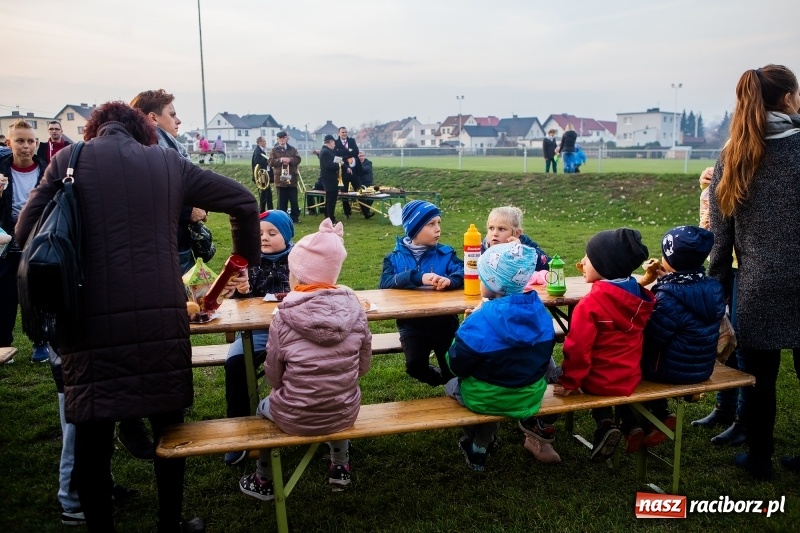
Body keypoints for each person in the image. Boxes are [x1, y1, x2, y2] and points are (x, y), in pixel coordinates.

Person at [15, 101, 261, 532]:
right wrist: (245, 259)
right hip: (159, 316)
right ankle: (170, 523)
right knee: (168, 428)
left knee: (92, 435)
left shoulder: (69, 160)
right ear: (143, 131)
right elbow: (243, 200)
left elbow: (23, 231)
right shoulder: (168, 162)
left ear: (94, 130)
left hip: (86, 315)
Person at [707, 64, 800, 480]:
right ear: (788, 98)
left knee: (760, 378)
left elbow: (720, 238)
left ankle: (760, 457)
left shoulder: (733, 155)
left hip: (758, 284)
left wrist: (717, 291)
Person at [239, 218, 371, 499]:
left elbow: (274, 377)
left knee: (262, 409)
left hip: (294, 414)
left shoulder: (283, 317)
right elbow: (363, 367)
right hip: (344, 410)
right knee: (337, 397)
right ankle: (340, 466)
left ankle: (263, 479)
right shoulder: (356, 311)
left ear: (296, 277)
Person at [445, 242, 555, 471]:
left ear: (492, 283)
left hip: (486, 399)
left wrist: (467, 324)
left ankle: (479, 445)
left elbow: (457, 365)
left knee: (451, 385)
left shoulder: (478, 321)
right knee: (496, 384)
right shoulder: (541, 314)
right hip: (529, 396)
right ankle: (483, 442)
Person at [554, 228, 654, 462]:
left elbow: (578, 350)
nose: (582, 262)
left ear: (605, 266)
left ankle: (603, 423)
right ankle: (627, 424)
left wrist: (570, 382)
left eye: (588, 258)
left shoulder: (591, 304)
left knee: (552, 374)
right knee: (607, 371)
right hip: (629, 377)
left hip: (598, 381)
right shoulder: (637, 295)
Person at [632, 226, 726, 453]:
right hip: (701, 368)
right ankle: (659, 416)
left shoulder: (668, 297)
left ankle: (636, 423)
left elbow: (652, 340)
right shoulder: (712, 287)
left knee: (632, 361)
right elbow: (687, 293)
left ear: (669, 260)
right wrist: (667, 282)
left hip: (672, 371)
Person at [222, 210, 294, 465]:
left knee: (314, 360)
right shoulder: (246, 263)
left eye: (272, 233)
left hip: (294, 331)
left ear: (287, 236)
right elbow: (233, 304)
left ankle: (319, 418)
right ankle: (238, 430)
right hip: (256, 332)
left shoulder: (299, 260)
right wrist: (241, 292)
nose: (264, 238)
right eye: (259, 233)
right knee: (235, 364)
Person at [379, 200, 464, 386]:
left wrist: (451, 281)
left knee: (452, 368)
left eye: (439, 223)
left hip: (444, 322)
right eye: (431, 224)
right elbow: (384, 284)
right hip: (411, 325)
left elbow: (465, 272)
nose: (438, 229)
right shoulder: (393, 258)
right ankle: (439, 379)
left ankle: (451, 384)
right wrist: (417, 277)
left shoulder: (446, 254)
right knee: (415, 366)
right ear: (414, 228)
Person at [692, 165, 748, 447]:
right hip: (727, 260)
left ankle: (744, 420)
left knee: (747, 344)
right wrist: (709, 181)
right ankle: (725, 408)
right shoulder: (734, 147)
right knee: (728, 336)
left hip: (751, 264)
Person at [0, 119, 51, 363]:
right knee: (4, 292)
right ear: (10, 143)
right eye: (20, 141)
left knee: (37, 291)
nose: (26, 146)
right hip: (5, 238)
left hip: (36, 234)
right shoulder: (1, 170)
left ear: (37, 143)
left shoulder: (47, 170)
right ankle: (3, 344)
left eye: (30, 141)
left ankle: (40, 342)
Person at [481, 206, 551, 271]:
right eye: (491, 228)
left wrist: (523, 251)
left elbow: (548, 264)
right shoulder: (485, 246)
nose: (494, 233)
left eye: (501, 229)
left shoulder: (525, 244)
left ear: (517, 233)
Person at [269, 131, 302, 223]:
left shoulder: (293, 149)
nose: (282, 140)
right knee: (281, 201)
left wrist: (290, 160)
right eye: (280, 138)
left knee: (294, 200)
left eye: (283, 138)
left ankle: (295, 218)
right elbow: (270, 162)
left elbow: (298, 159)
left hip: (292, 178)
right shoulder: (274, 150)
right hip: (280, 179)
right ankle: (282, 219)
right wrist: (280, 160)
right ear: (277, 139)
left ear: (287, 138)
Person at [335, 127, 360, 219]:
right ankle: (347, 213)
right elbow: (336, 154)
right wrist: (348, 151)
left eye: (346, 132)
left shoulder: (352, 141)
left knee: (359, 190)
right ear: (339, 133)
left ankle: (366, 212)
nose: (344, 134)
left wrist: (344, 155)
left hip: (354, 171)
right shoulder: (336, 143)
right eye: (343, 132)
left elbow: (356, 151)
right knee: (344, 193)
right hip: (343, 171)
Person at [318, 134, 341, 223]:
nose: (334, 144)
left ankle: (327, 216)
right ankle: (331, 218)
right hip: (329, 179)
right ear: (330, 142)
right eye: (334, 142)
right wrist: (339, 164)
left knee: (329, 198)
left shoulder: (326, 151)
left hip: (329, 178)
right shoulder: (326, 152)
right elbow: (329, 165)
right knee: (331, 199)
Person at [252, 136, 273, 211]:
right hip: (262, 175)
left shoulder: (261, 150)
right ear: (259, 142)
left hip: (264, 174)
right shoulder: (258, 150)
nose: (265, 142)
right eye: (263, 141)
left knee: (267, 193)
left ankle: (267, 209)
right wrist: (267, 162)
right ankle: (264, 209)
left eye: (265, 141)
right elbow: (257, 161)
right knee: (265, 193)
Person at [356, 151, 375, 219]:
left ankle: (366, 211)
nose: (361, 157)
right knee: (360, 198)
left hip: (368, 183)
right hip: (359, 183)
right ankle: (366, 213)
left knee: (371, 197)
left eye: (362, 156)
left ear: (364, 156)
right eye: (359, 156)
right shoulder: (356, 163)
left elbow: (364, 169)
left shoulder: (368, 163)